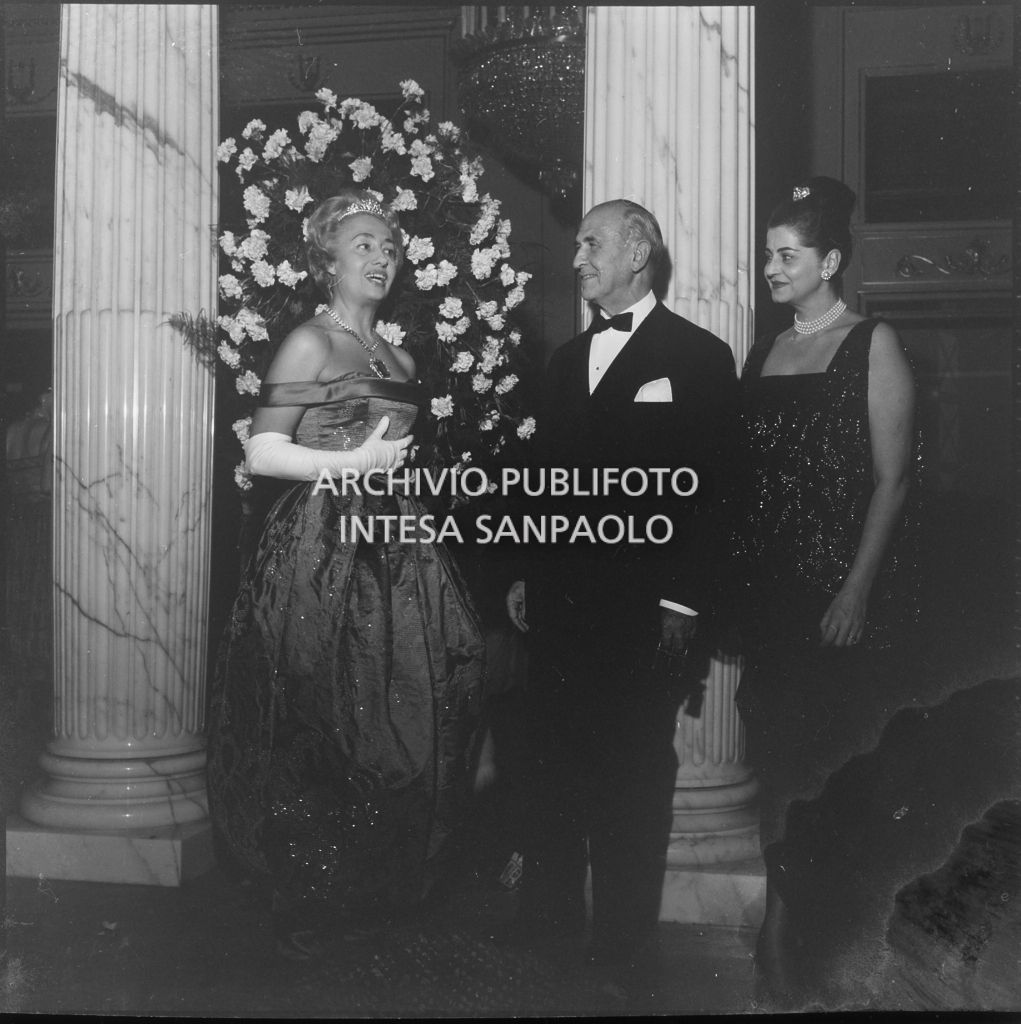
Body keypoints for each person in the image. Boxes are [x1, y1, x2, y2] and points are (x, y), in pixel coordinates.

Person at [206, 190, 485, 959]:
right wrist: (352, 462)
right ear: (327, 259)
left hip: (400, 547)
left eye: (390, 247)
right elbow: (262, 452)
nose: (381, 257)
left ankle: (378, 881)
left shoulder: (396, 358)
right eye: (364, 244)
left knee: (407, 711)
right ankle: (311, 894)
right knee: (320, 711)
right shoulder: (308, 343)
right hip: (322, 549)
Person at [503, 199, 738, 993]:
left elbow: (713, 494)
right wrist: (524, 576)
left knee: (633, 772)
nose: (577, 258)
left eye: (592, 242)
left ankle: (622, 937)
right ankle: (549, 921)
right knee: (551, 766)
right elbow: (540, 487)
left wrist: (682, 602)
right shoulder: (564, 361)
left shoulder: (699, 357)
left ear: (639, 250)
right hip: (561, 605)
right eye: (575, 245)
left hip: (644, 612)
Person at [730, 176, 918, 996]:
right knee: (773, 759)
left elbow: (892, 479)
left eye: (786, 255)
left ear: (829, 260)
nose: (770, 267)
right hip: (768, 594)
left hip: (834, 596)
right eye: (768, 253)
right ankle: (782, 918)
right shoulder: (762, 350)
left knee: (822, 767)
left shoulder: (872, 342)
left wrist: (855, 590)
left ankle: (809, 931)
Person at [3, 386, 53, 695]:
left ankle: (22, 659)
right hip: (42, 519)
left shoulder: (11, 431)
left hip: (17, 520)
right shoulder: (50, 431)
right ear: (45, 399)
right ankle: (43, 662)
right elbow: (48, 486)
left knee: (20, 585)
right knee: (40, 587)